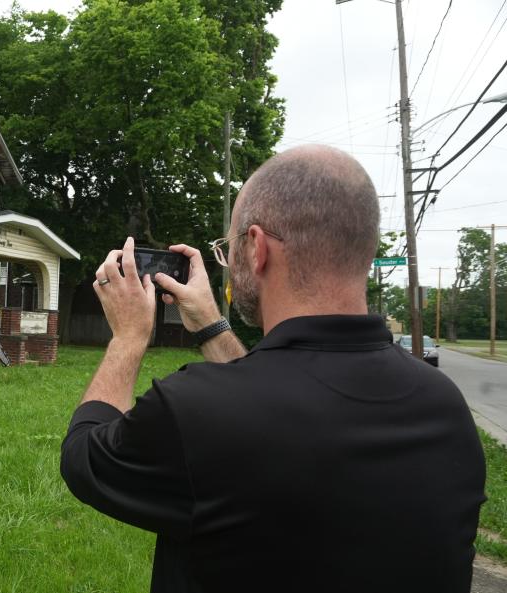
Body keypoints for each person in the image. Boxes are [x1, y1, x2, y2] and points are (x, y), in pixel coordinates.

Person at [60, 145, 486, 593]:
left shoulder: (197, 412)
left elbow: (83, 458)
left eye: (228, 249)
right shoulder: (445, 408)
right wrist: (210, 326)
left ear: (257, 248)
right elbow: (279, 397)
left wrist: (128, 337)